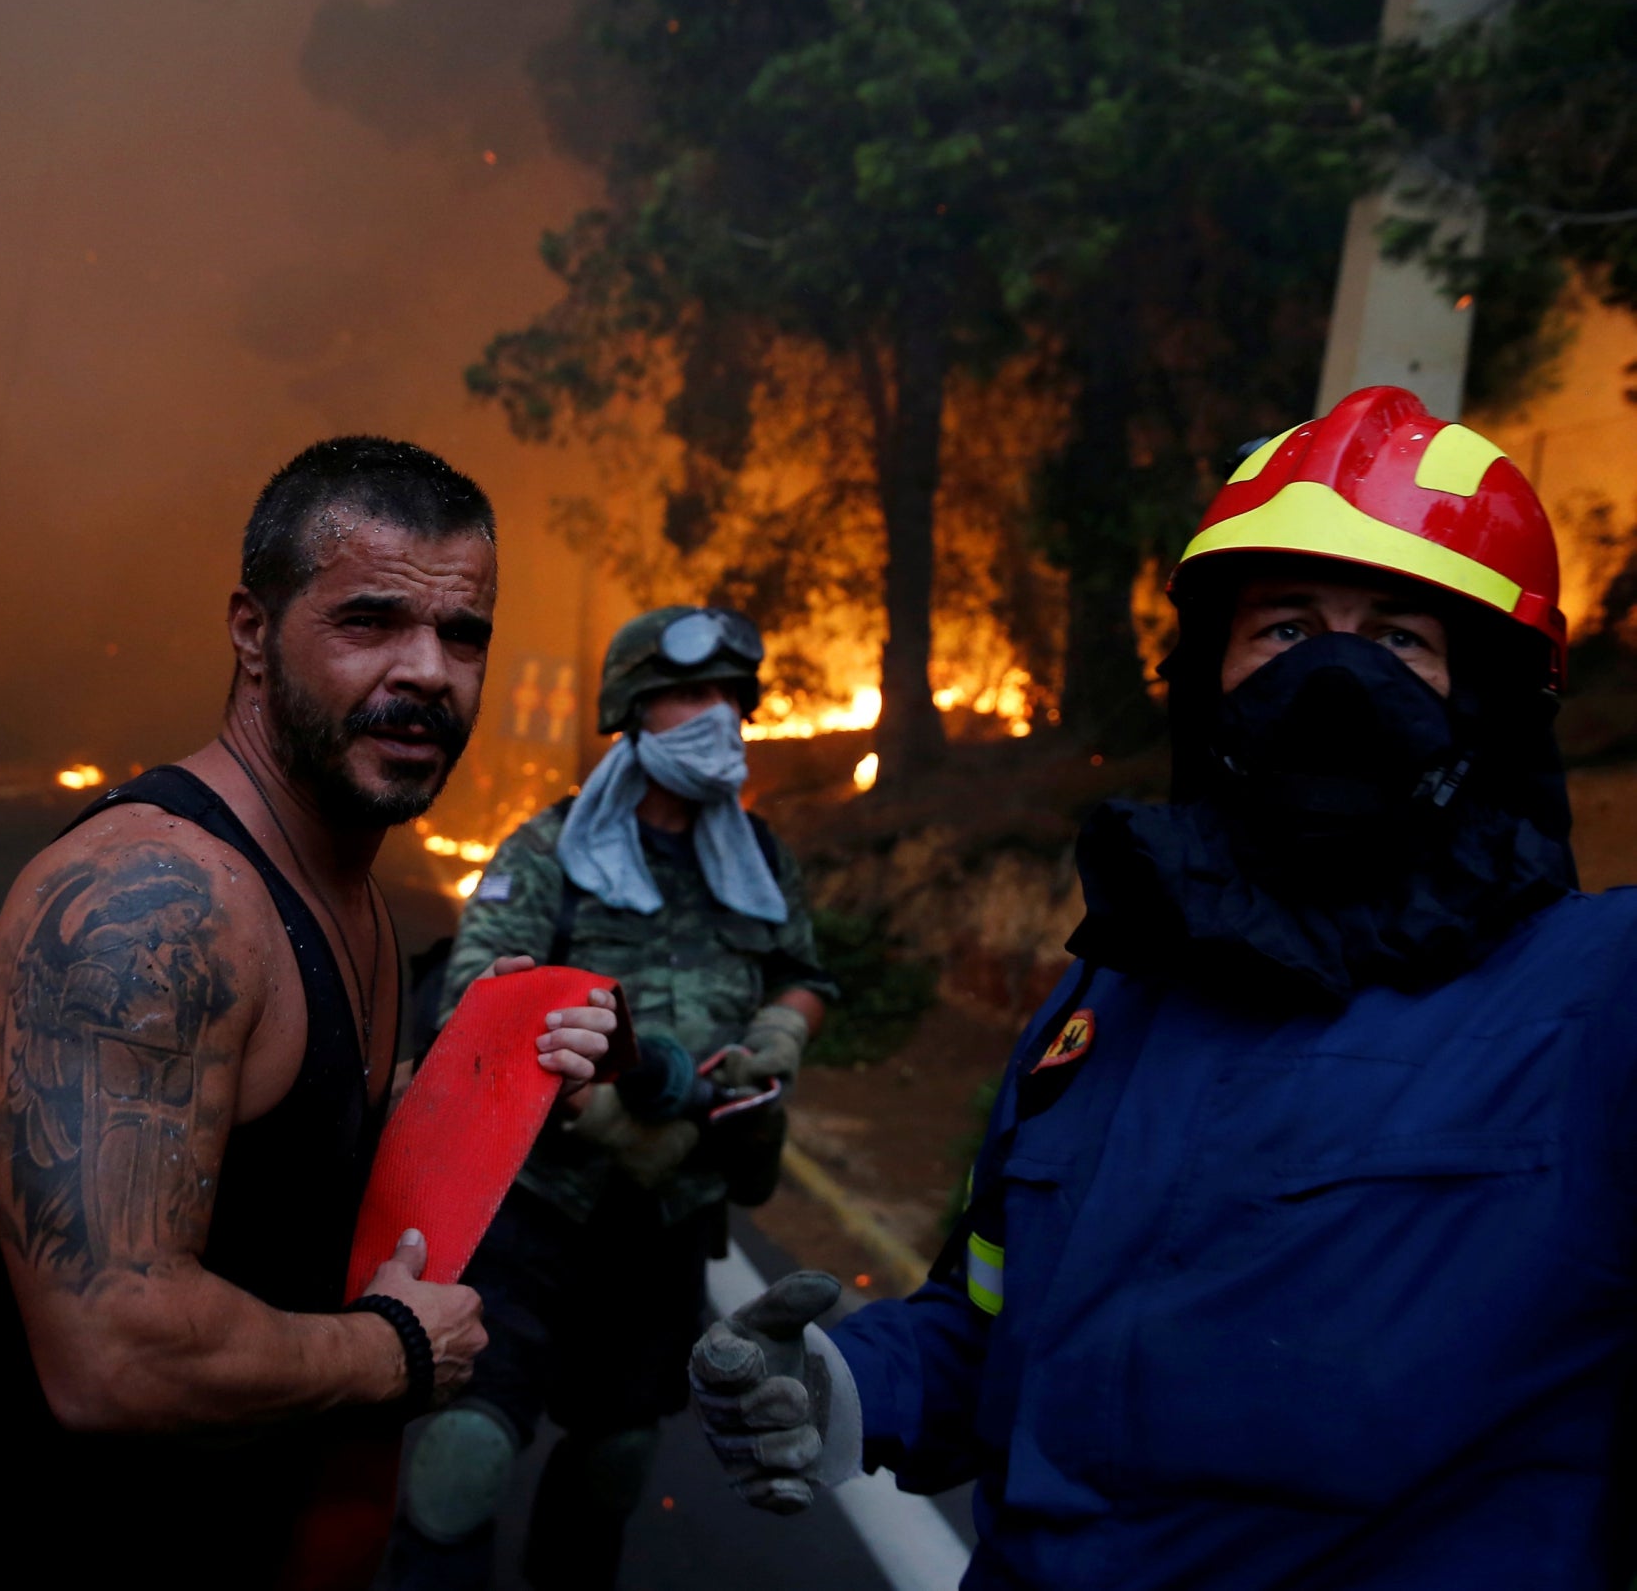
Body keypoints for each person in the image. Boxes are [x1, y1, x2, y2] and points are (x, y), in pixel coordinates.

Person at [691, 385, 1637, 1589]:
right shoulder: (1101, 1004)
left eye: (1400, 638)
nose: (1337, 678)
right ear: (1208, 681)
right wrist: (848, 1384)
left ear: (1488, 708)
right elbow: (995, 1325)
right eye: (1286, 629)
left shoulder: (1596, 1004)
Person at [0, 437, 620, 1586]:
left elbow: (285, 1148)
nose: (429, 671)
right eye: (369, 620)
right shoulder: (155, 900)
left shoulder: (344, 888)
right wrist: (396, 1349)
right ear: (252, 631)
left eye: (463, 635)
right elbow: (114, 1348)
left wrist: (500, 1090)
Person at [389, 605, 838, 1590]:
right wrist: (562, 1071)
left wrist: (783, 1030)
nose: (718, 714)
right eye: (692, 693)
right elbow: (469, 995)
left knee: (616, 1461)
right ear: (633, 708)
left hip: (667, 1218)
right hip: (536, 1206)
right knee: (459, 1456)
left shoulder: (759, 859)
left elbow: (804, 970)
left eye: (732, 696)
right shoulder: (553, 845)